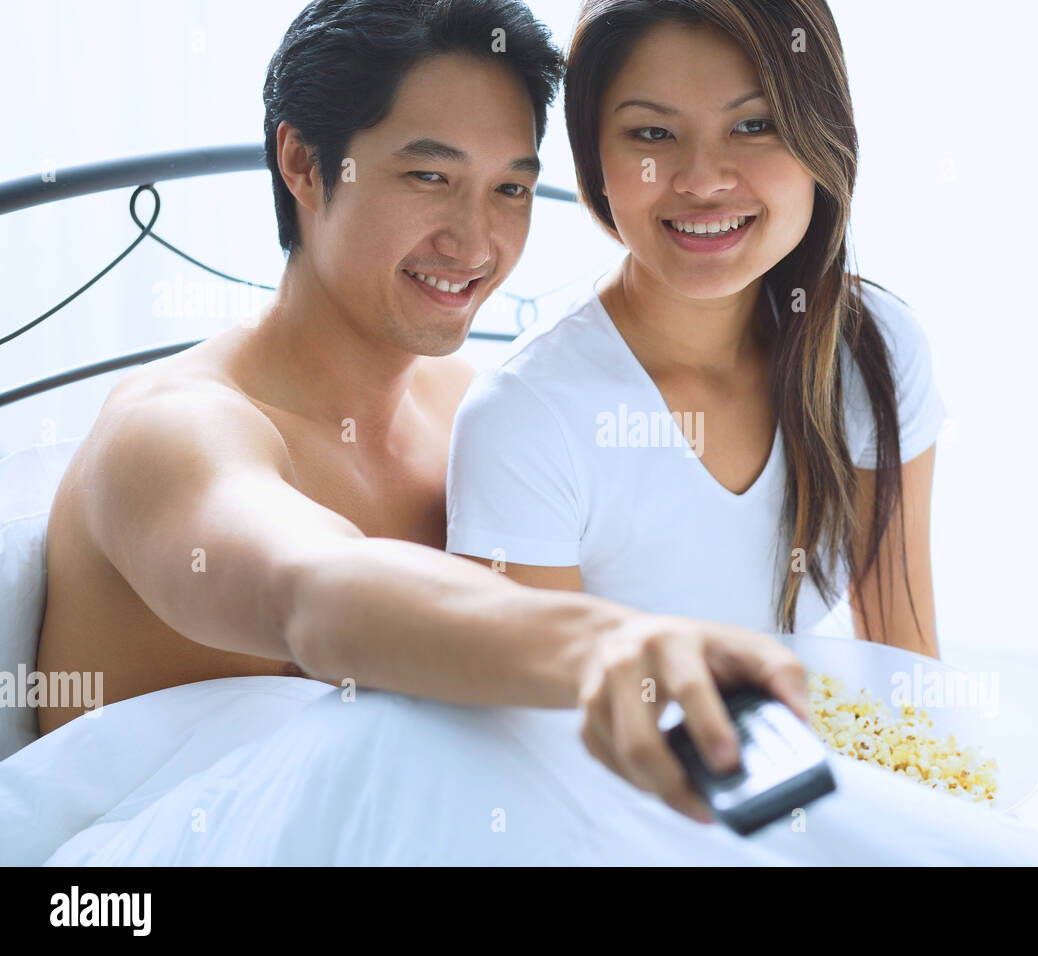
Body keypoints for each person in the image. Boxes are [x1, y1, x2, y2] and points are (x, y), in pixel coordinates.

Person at [33, 0, 811, 827]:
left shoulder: (479, 413)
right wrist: (600, 642)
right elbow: (315, 594)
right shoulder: (174, 430)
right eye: (429, 177)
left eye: (510, 187)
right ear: (301, 162)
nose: (475, 242)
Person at [448, 0, 948, 653]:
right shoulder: (524, 418)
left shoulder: (872, 350)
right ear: (594, 158)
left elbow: (906, 680)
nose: (703, 181)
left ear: (822, 133)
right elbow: (532, 736)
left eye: (754, 125)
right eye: (653, 134)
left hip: (797, 752)